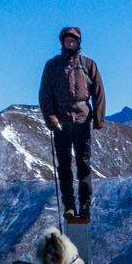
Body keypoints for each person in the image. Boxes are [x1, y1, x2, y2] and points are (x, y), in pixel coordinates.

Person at [39, 26, 105, 224]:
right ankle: (69, 206)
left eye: (73, 40)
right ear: (62, 43)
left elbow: (99, 92)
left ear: (78, 42)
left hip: (83, 120)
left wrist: (99, 118)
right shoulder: (52, 66)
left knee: (84, 165)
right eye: (67, 40)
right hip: (62, 121)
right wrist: (51, 119)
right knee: (65, 167)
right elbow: (45, 95)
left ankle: (85, 205)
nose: (70, 43)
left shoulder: (88, 64)